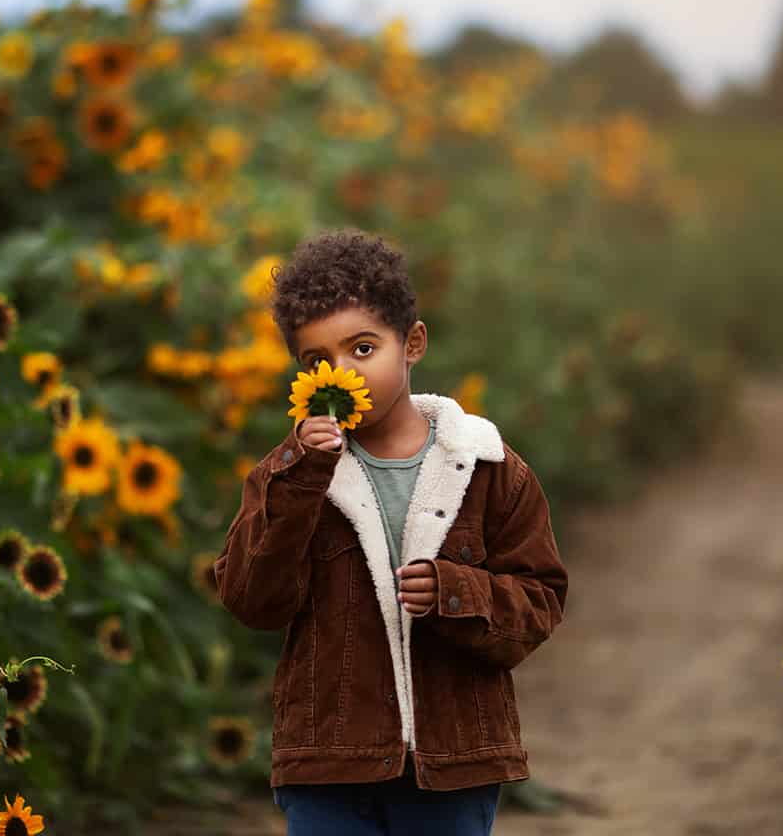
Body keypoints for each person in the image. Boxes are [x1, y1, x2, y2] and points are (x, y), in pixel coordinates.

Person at [214, 226, 569, 835]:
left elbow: (540, 601)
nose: (341, 375)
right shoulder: (287, 475)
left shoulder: (485, 465)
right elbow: (252, 599)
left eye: (362, 349)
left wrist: (456, 593)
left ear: (412, 344)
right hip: (327, 764)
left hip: (453, 764)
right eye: (317, 362)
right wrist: (300, 478)